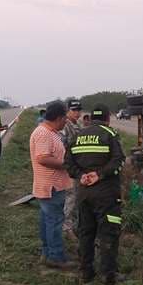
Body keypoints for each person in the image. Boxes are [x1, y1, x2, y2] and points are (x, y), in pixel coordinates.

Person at [65, 103, 125, 285]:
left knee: (86, 232)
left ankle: (86, 273)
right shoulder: (110, 134)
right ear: (107, 119)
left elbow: (68, 164)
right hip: (106, 194)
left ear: (90, 118)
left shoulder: (77, 136)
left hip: (83, 193)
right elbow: (118, 161)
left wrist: (81, 175)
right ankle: (108, 275)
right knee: (109, 232)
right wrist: (99, 175)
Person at [30, 101, 75, 269]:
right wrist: (65, 165)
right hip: (50, 187)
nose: (66, 122)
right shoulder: (43, 133)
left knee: (47, 221)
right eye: (65, 118)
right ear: (59, 117)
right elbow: (42, 158)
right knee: (55, 221)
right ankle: (56, 257)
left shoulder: (52, 132)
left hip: (53, 186)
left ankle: (48, 252)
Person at [61, 99, 82, 234]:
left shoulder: (76, 124)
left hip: (77, 165)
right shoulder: (65, 125)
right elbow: (62, 146)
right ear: (68, 111)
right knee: (71, 197)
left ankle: (73, 223)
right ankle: (66, 226)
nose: (77, 113)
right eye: (74, 110)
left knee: (75, 196)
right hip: (69, 166)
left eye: (78, 110)